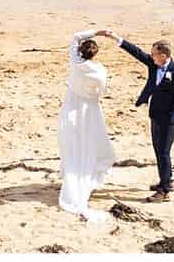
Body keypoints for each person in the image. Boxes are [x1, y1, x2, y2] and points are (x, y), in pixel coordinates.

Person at [104, 29, 174, 201]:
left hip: (169, 118)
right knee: (158, 149)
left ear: (163, 55)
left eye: (154, 54)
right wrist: (117, 39)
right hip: (155, 114)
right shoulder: (154, 65)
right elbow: (136, 52)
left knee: (163, 152)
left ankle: (165, 190)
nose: (151, 56)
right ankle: (165, 179)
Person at [56, 31, 116, 221]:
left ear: (80, 52)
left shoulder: (75, 63)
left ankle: (72, 177)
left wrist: (97, 32)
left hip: (71, 107)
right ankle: (86, 178)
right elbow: (101, 91)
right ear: (95, 54)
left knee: (73, 145)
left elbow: (74, 37)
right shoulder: (99, 71)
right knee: (91, 144)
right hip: (89, 110)